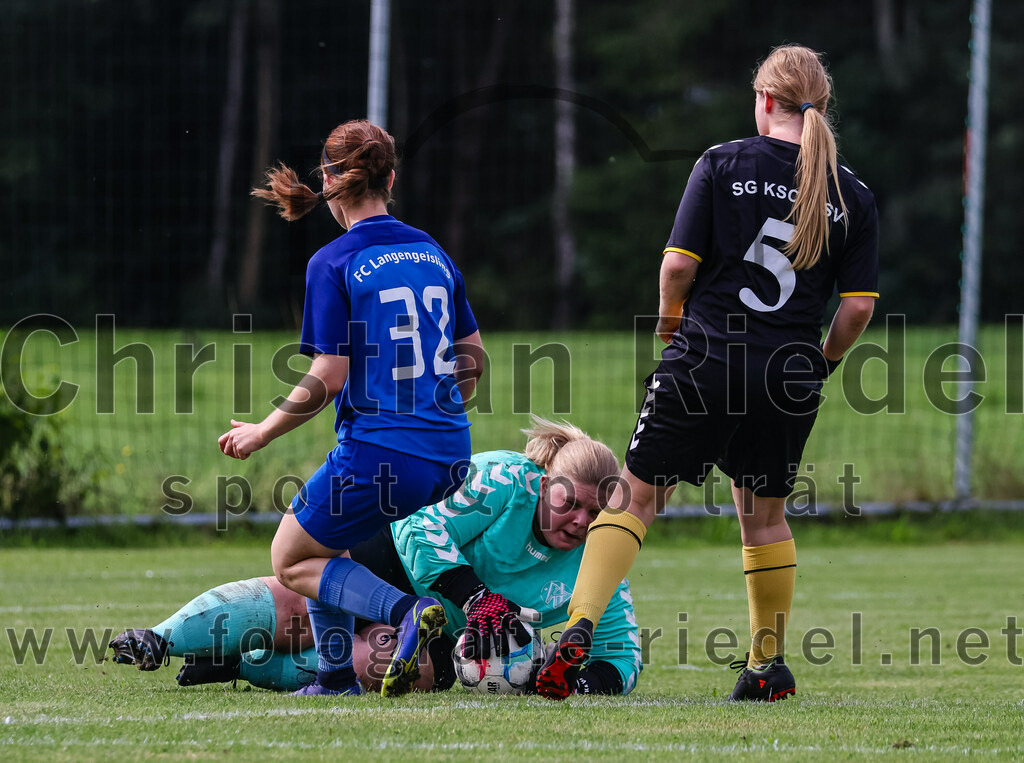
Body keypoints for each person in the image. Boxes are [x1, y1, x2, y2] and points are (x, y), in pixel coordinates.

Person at [537, 44, 878, 702]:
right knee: (765, 517)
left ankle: (576, 630)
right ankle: (764, 666)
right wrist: (821, 364)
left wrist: (670, 323)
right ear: (819, 109)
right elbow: (857, 308)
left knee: (635, 498)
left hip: (706, 357)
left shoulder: (723, 163)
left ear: (766, 101)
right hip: (788, 374)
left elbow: (676, 269)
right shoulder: (853, 194)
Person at [217, 119, 485, 698]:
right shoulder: (432, 253)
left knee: (290, 558)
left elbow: (328, 375)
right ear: (390, 178)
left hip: (383, 452)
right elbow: (474, 360)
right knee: (327, 544)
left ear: (331, 178)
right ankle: (336, 677)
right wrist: (434, 416)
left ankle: (406, 612)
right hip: (450, 454)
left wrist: (262, 431)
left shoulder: (332, 262)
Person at [109, 419, 642, 696]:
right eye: (568, 501)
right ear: (545, 481)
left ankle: (239, 665)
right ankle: (159, 637)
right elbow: (424, 524)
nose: (580, 520)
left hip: (442, 632)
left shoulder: (601, 558)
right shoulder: (504, 478)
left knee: (379, 664)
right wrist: (475, 597)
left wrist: (582, 679)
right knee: (296, 611)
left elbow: (623, 653)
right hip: (393, 557)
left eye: (595, 513)